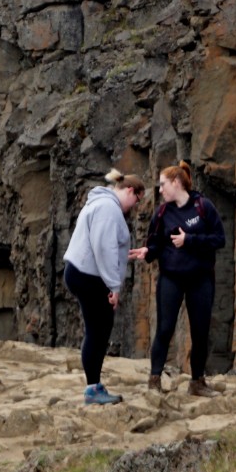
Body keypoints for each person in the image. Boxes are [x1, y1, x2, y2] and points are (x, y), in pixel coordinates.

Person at [141, 161, 227, 397]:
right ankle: (154, 380)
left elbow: (219, 239)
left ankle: (197, 382)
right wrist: (147, 252)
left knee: (200, 331)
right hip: (171, 278)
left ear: (176, 183)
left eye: (162, 185)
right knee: (165, 328)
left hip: (201, 279)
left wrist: (190, 240)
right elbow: (155, 243)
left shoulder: (203, 206)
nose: (160, 190)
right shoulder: (162, 212)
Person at [63, 170, 145, 405]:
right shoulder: (109, 209)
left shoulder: (100, 203)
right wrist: (114, 286)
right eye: (136, 200)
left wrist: (121, 257)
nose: (134, 206)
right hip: (89, 276)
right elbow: (103, 248)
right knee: (98, 331)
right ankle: (92, 390)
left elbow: (104, 246)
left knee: (98, 329)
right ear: (130, 190)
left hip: (81, 271)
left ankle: (94, 385)